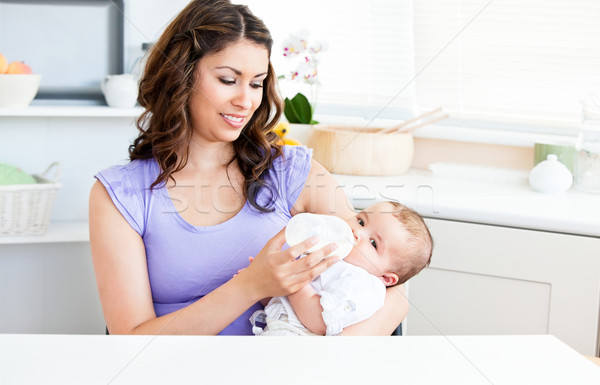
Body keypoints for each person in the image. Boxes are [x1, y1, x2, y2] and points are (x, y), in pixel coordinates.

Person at [89, 0, 408, 336]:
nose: (246, 101)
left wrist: (323, 361)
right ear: (180, 74)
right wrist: (250, 287)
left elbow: (389, 292)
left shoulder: (292, 173)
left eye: (256, 83)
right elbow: (129, 340)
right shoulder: (120, 196)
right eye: (228, 80)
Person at [251, 201, 433, 336]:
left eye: (373, 243)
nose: (357, 232)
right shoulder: (329, 257)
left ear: (386, 278)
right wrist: (265, 285)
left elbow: (317, 320)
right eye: (361, 221)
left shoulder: (364, 284)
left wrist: (293, 280)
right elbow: (289, 308)